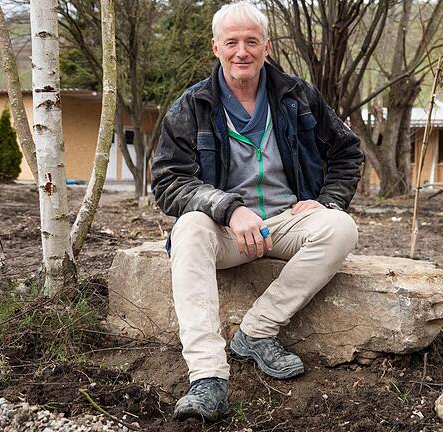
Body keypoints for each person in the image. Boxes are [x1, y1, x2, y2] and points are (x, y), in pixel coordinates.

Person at [151, 1, 363, 422]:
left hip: (287, 221)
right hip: (226, 229)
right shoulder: (192, 105)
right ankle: (208, 378)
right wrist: (227, 208)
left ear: (267, 46)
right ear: (216, 47)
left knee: (340, 227)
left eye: (251, 41)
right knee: (189, 228)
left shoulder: (297, 96)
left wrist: (326, 201)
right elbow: (168, 182)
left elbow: (348, 151)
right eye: (232, 42)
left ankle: (256, 331)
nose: (241, 52)